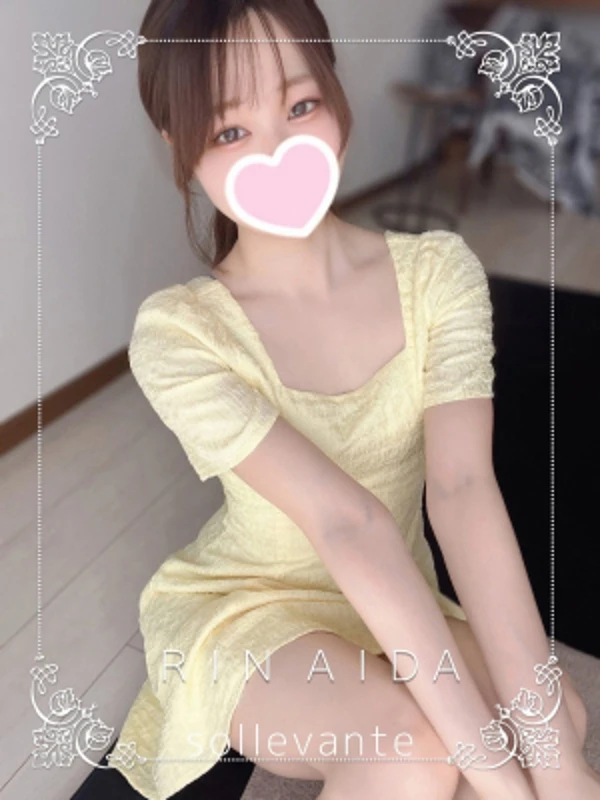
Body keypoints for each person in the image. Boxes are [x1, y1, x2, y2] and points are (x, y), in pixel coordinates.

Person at [111, 2, 598, 799]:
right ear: (179, 143)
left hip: (392, 590)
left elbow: (463, 489)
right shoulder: (181, 333)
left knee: (557, 723)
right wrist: (507, 787)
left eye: (300, 105)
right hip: (254, 609)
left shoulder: (438, 273)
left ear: (334, 91)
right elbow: (346, 521)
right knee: (414, 752)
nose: (278, 148)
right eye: (230, 130)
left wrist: (559, 767)